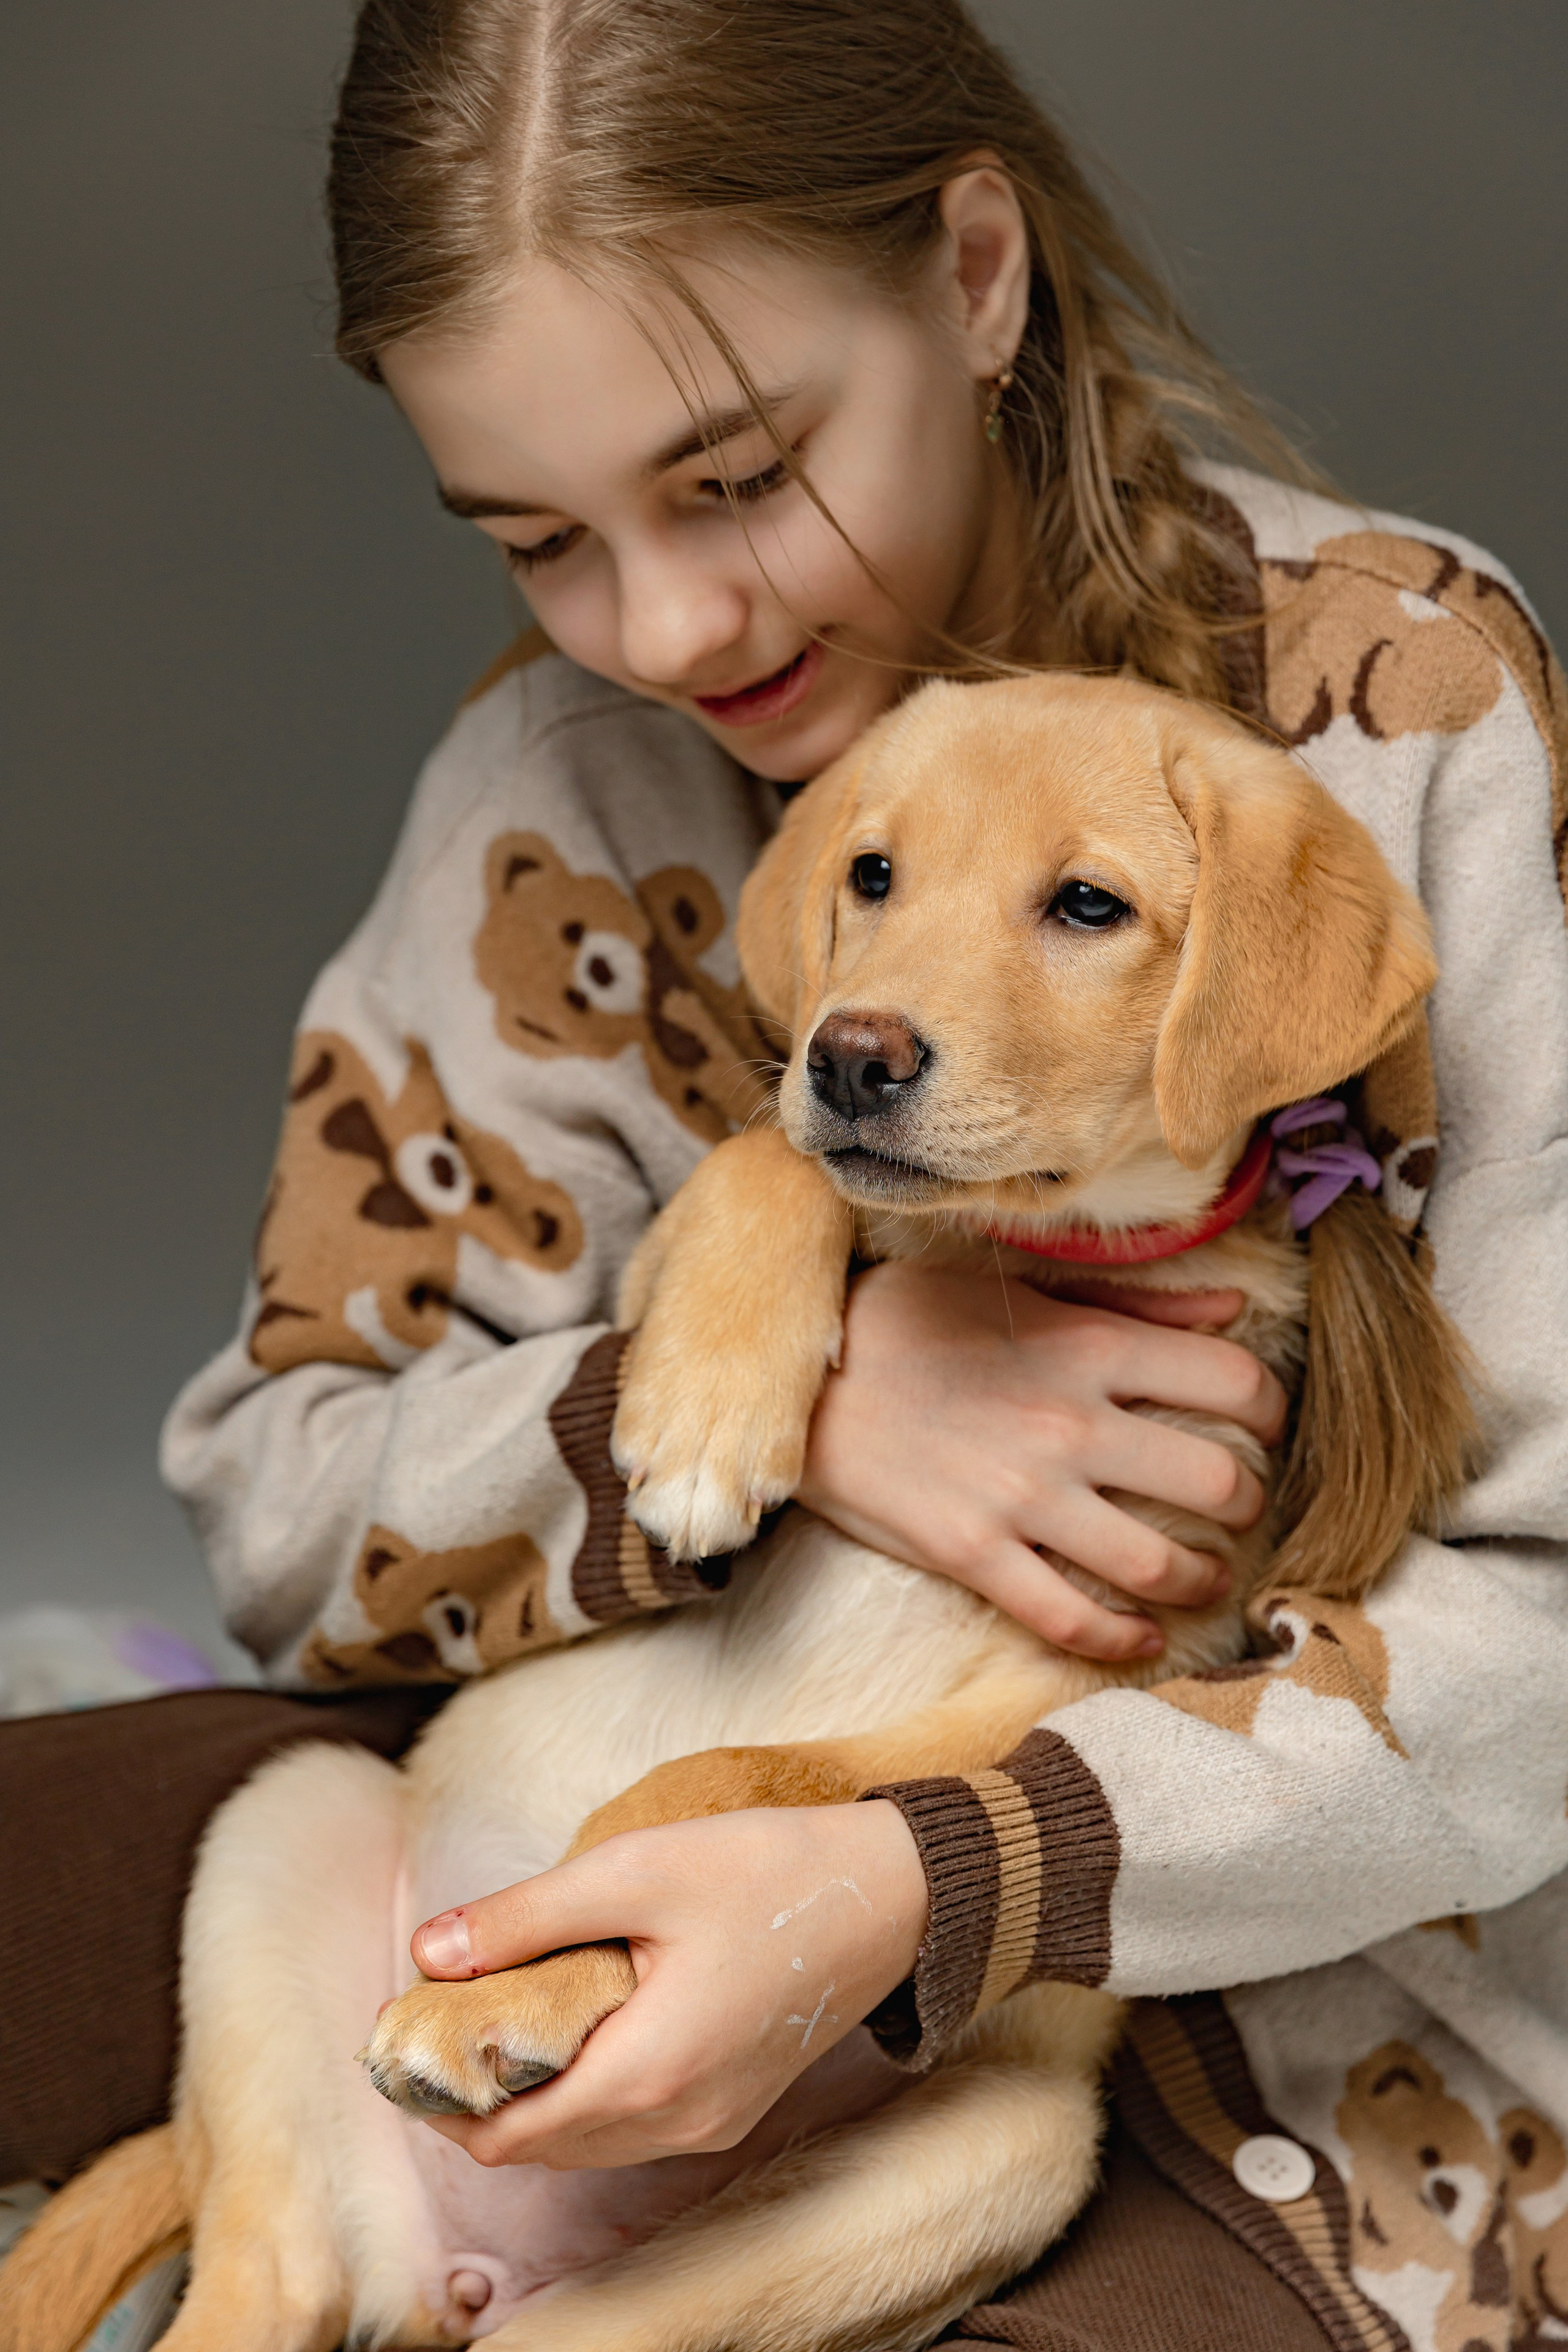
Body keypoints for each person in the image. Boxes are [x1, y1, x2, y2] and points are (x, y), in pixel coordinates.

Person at [6, 4, 1566, 2346]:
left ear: (969, 271)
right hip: (623, 1793)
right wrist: (794, 1401)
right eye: (538, 537)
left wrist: (899, 1888)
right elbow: (278, 1496)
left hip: (1276, 2002)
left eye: (735, 475)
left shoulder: (1399, 715)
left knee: (1043, 2212)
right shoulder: (564, 776)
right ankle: (344, 2202)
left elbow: (1551, 1640)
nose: (666, 628)